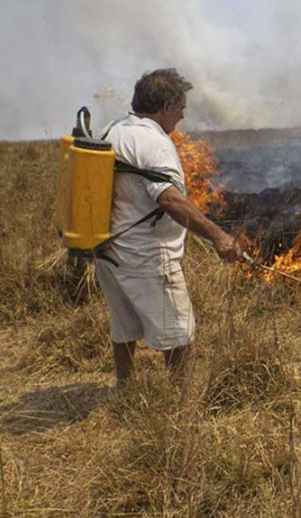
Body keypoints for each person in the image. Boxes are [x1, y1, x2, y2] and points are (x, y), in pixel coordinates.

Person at [95, 68, 242, 387]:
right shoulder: (154, 143)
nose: (182, 116)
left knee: (124, 327)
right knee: (178, 333)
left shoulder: (113, 129)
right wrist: (218, 236)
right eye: (180, 108)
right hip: (146, 257)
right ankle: (180, 405)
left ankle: (126, 389)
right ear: (165, 107)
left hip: (108, 252)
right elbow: (170, 201)